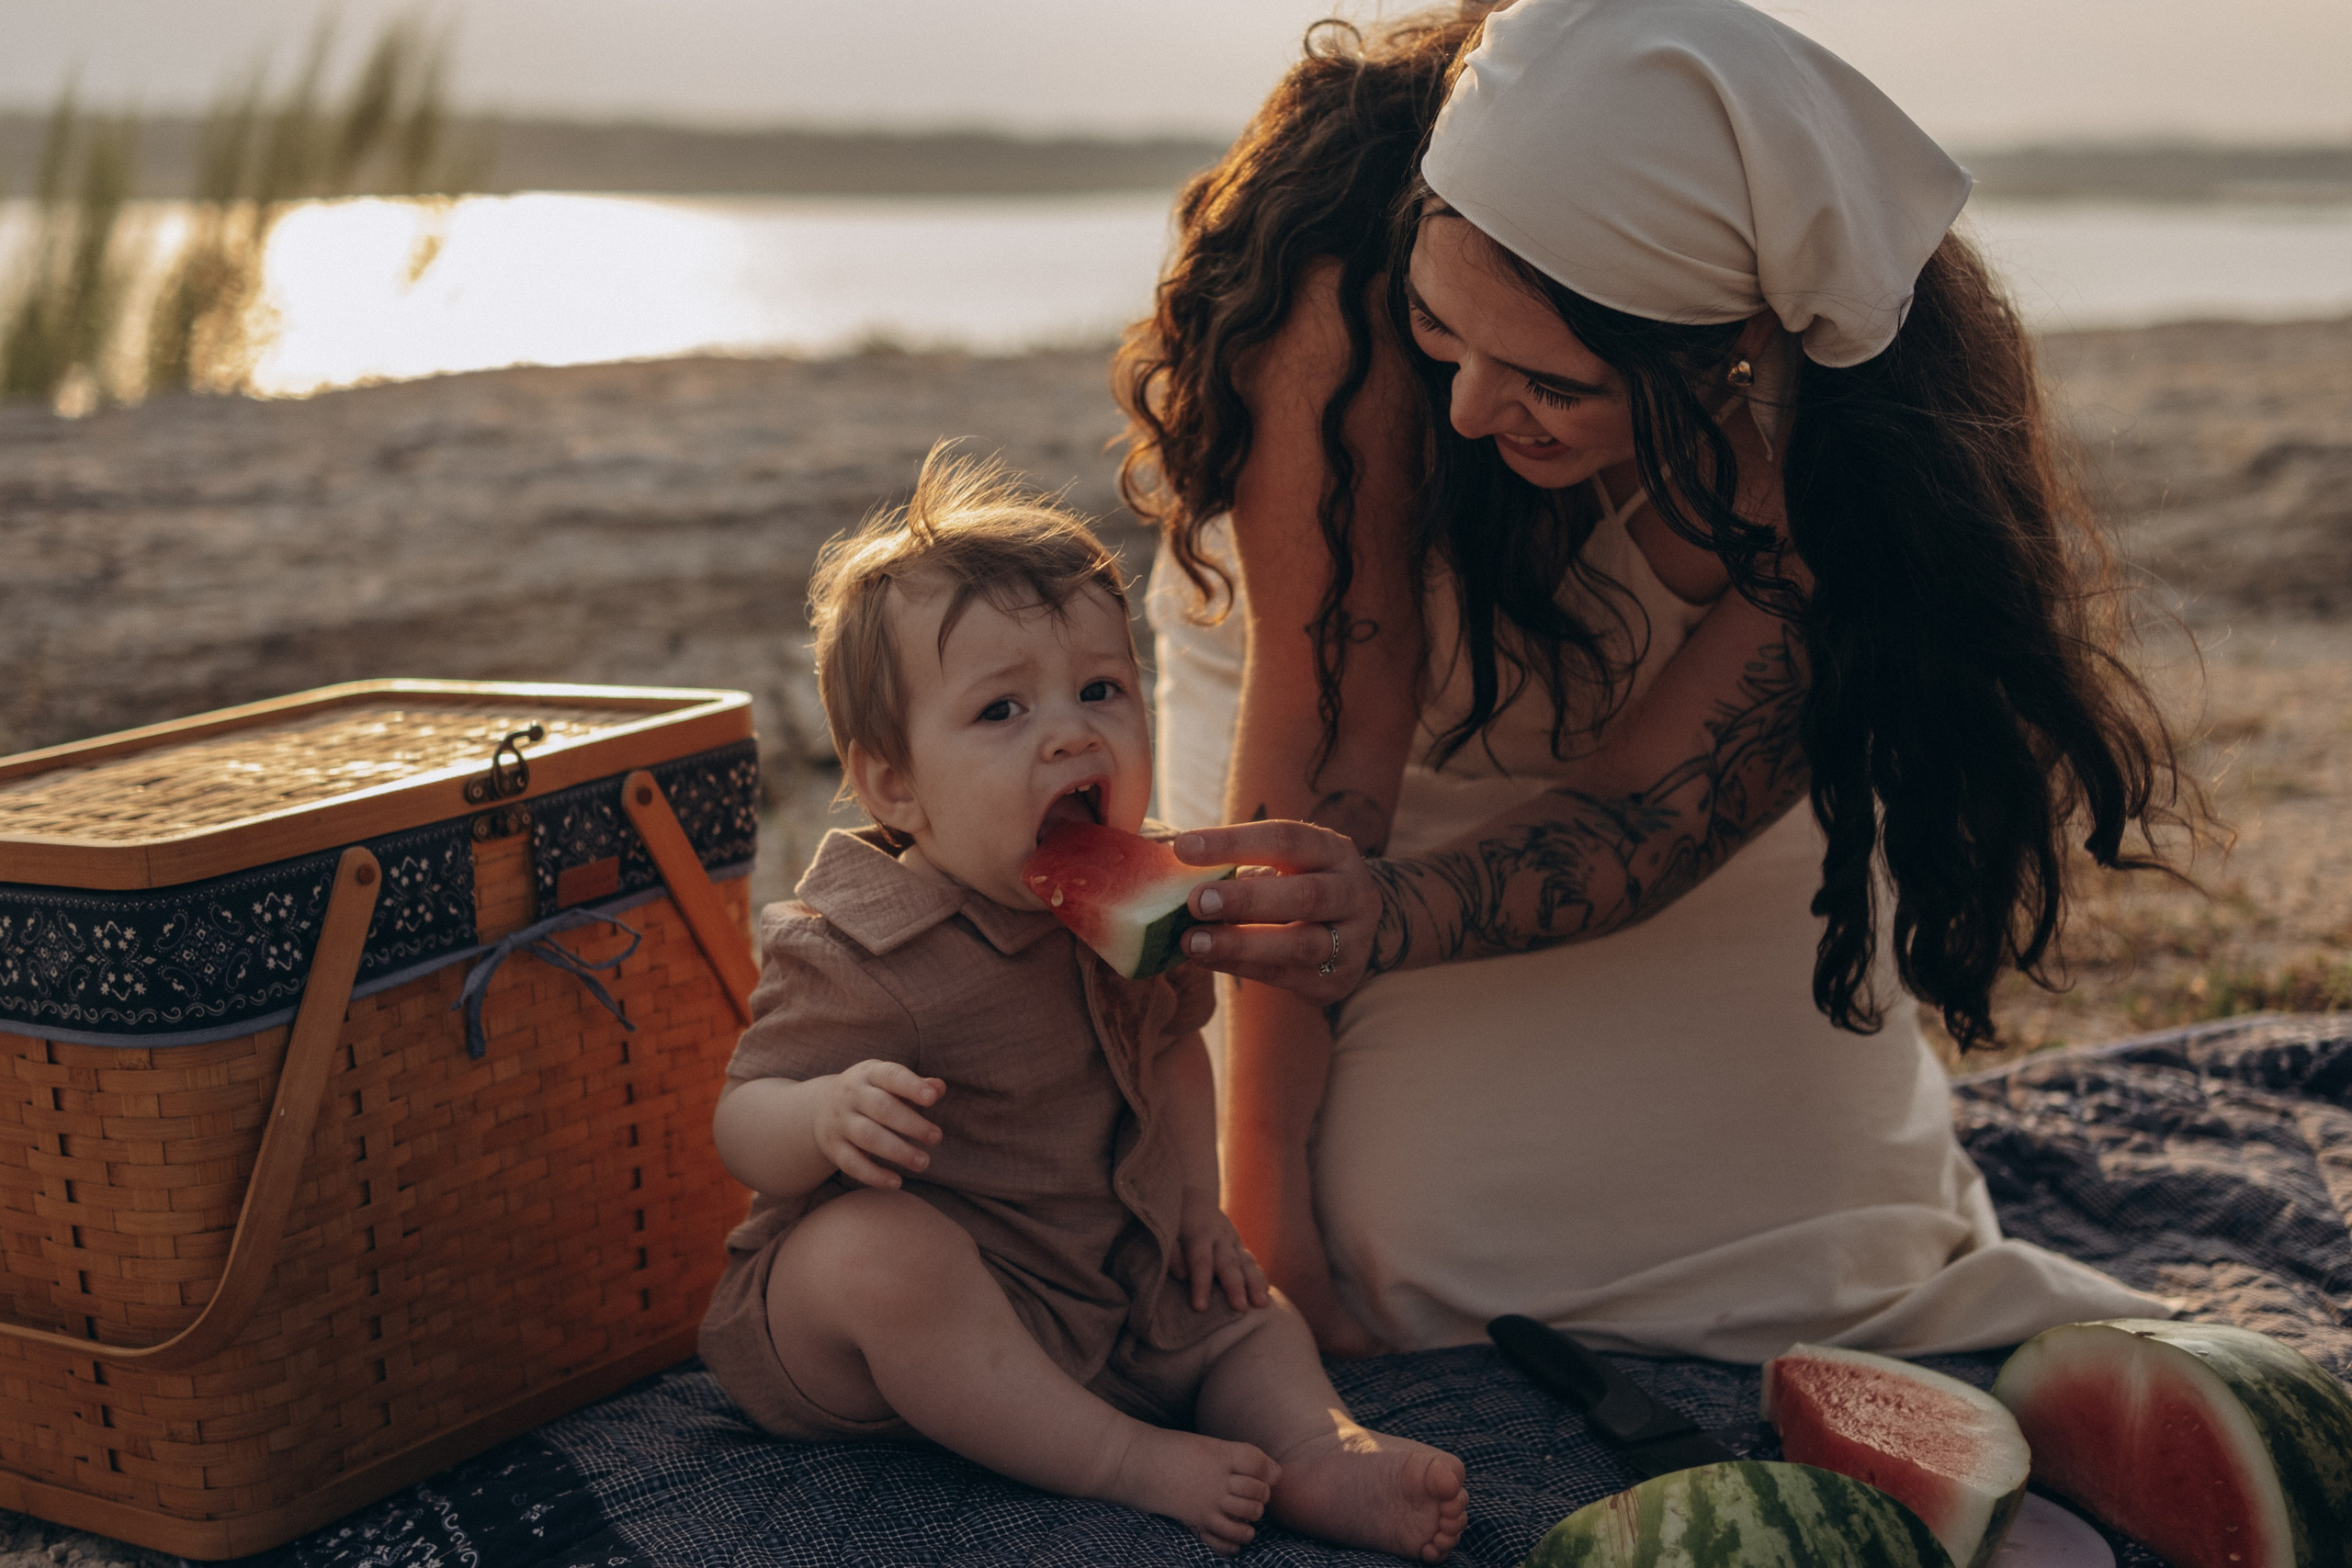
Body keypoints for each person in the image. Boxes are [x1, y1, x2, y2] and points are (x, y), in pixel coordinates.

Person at [1118, 0, 2192, 1362]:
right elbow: (1328, 745)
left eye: (1548, 383)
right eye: (1451, 336)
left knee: (1822, 1236)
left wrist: (1393, 916)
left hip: (1669, 811)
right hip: (1340, 754)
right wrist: (1263, 1201)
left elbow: (1647, 813)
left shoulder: (1844, 436)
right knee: (1410, 1241)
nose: (1467, 410)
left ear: (1726, 350)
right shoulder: (1355, 281)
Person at [696, 447, 1469, 1562]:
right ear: (892, 786)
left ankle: (1320, 1449)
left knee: (1243, 1306)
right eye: (1002, 710)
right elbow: (740, 1121)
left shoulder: (1139, 900)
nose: (1070, 733)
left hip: (1099, 1292)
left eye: (1101, 691)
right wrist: (820, 1116)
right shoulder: (869, 947)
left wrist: (1199, 1207)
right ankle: (1125, 1462)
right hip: (880, 1344)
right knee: (873, 1251)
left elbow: (1168, 1053)